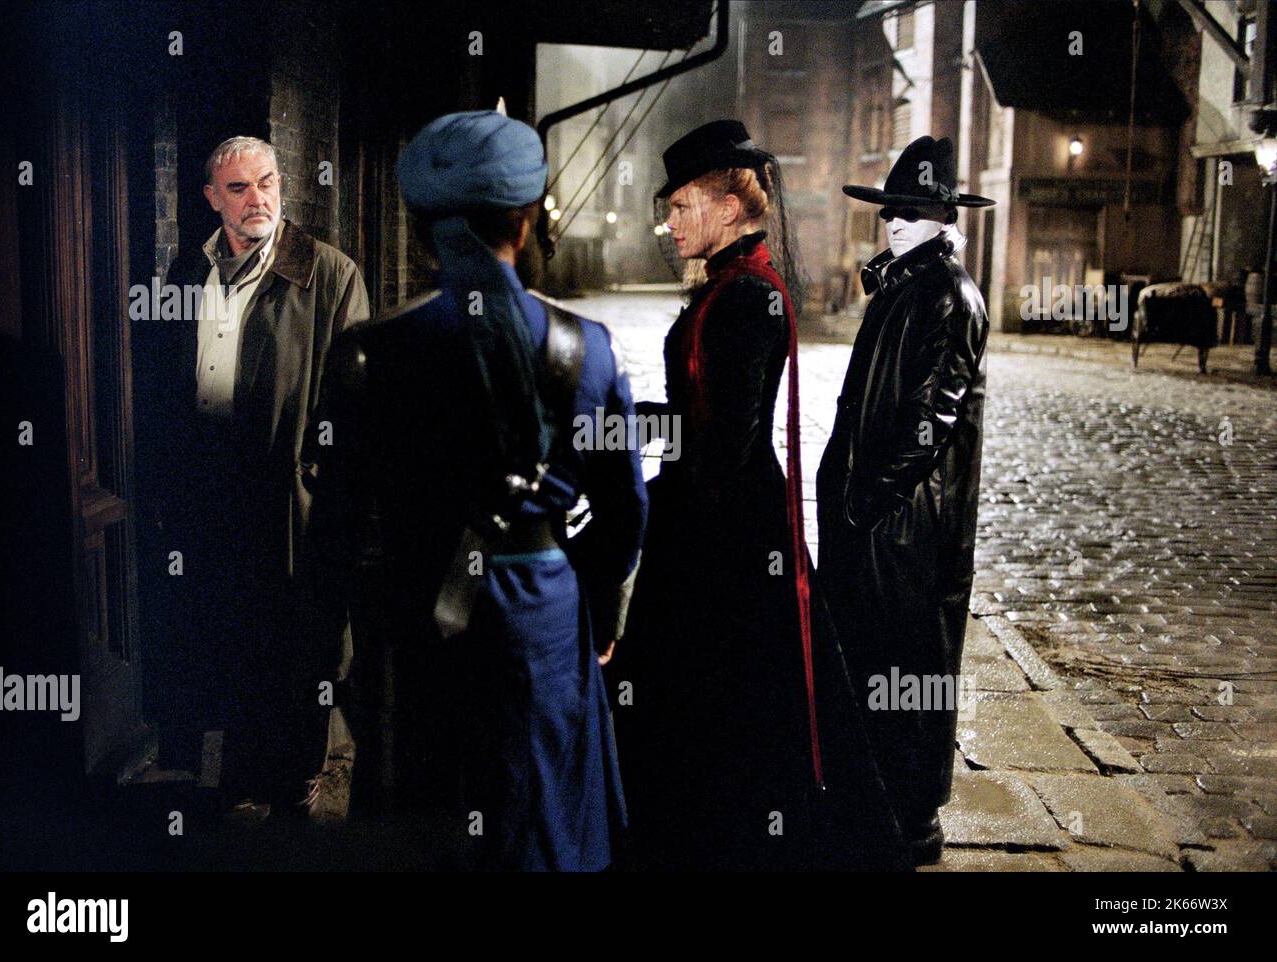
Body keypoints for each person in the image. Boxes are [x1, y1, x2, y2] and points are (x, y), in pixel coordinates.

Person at [308, 110, 647, 871]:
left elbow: (332, 530)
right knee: (540, 821)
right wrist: (597, 619)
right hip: (544, 618)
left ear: (424, 233)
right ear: (522, 226)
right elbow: (625, 511)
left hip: (415, 615)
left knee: (422, 816)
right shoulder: (587, 353)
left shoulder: (369, 355)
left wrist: (326, 655)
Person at [611, 120, 910, 871]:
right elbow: (697, 425)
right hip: (721, 519)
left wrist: (619, 446)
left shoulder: (747, 300)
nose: (668, 222)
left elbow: (719, 449)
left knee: (723, 698)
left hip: (727, 535)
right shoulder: (730, 286)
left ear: (726, 204)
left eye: (680, 206)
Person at [133, 136, 369, 815]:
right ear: (212, 198)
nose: (258, 197)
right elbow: (164, 386)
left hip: (286, 488)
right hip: (210, 489)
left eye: (267, 181)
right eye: (238, 188)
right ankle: (233, 783)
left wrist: (321, 482)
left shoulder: (325, 274)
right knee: (226, 632)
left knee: (294, 642)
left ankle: (298, 791)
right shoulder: (187, 272)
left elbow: (352, 402)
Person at [816, 135, 993, 865]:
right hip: (886, 524)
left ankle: (907, 822)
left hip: (909, 532)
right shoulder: (907, 284)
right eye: (891, 210)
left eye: (912, 211)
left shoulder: (946, 293)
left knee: (908, 671)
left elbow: (931, 419)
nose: (894, 221)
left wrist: (866, 503)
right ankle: (876, 812)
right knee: (874, 666)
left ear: (944, 218)